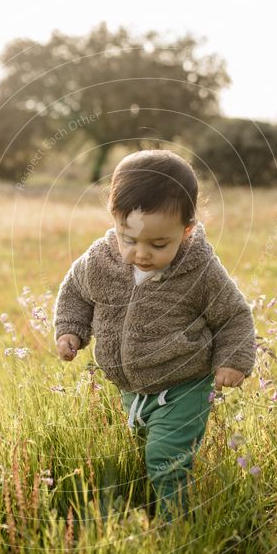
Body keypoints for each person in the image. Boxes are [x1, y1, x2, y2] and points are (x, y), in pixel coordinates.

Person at [53, 149, 257, 523]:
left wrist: (233, 360)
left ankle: (174, 529)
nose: (140, 254)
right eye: (128, 239)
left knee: (166, 458)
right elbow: (75, 292)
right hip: (131, 388)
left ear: (187, 230)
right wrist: (71, 329)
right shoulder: (100, 260)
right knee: (145, 451)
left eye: (158, 244)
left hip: (184, 384)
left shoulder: (201, 271)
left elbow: (233, 316)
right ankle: (153, 505)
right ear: (115, 221)